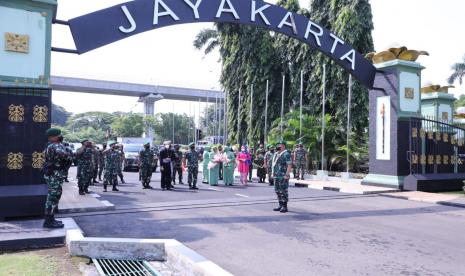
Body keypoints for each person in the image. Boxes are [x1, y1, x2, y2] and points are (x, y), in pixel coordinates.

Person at [42, 128, 72, 228]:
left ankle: (51, 219)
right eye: (58, 135)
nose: (60, 136)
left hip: (53, 174)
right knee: (53, 197)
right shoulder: (55, 145)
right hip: (54, 174)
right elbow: (62, 154)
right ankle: (48, 221)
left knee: (54, 196)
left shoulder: (49, 145)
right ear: (53, 137)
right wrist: (70, 156)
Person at [271, 140, 292, 213]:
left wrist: (287, 174)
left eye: (279, 145)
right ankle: (280, 205)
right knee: (277, 191)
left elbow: (289, 165)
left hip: (283, 175)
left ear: (283, 146)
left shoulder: (286, 154)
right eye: (278, 145)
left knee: (283, 191)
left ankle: (284, 206)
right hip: (276, 175)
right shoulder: (276, 154)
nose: (278, 146)